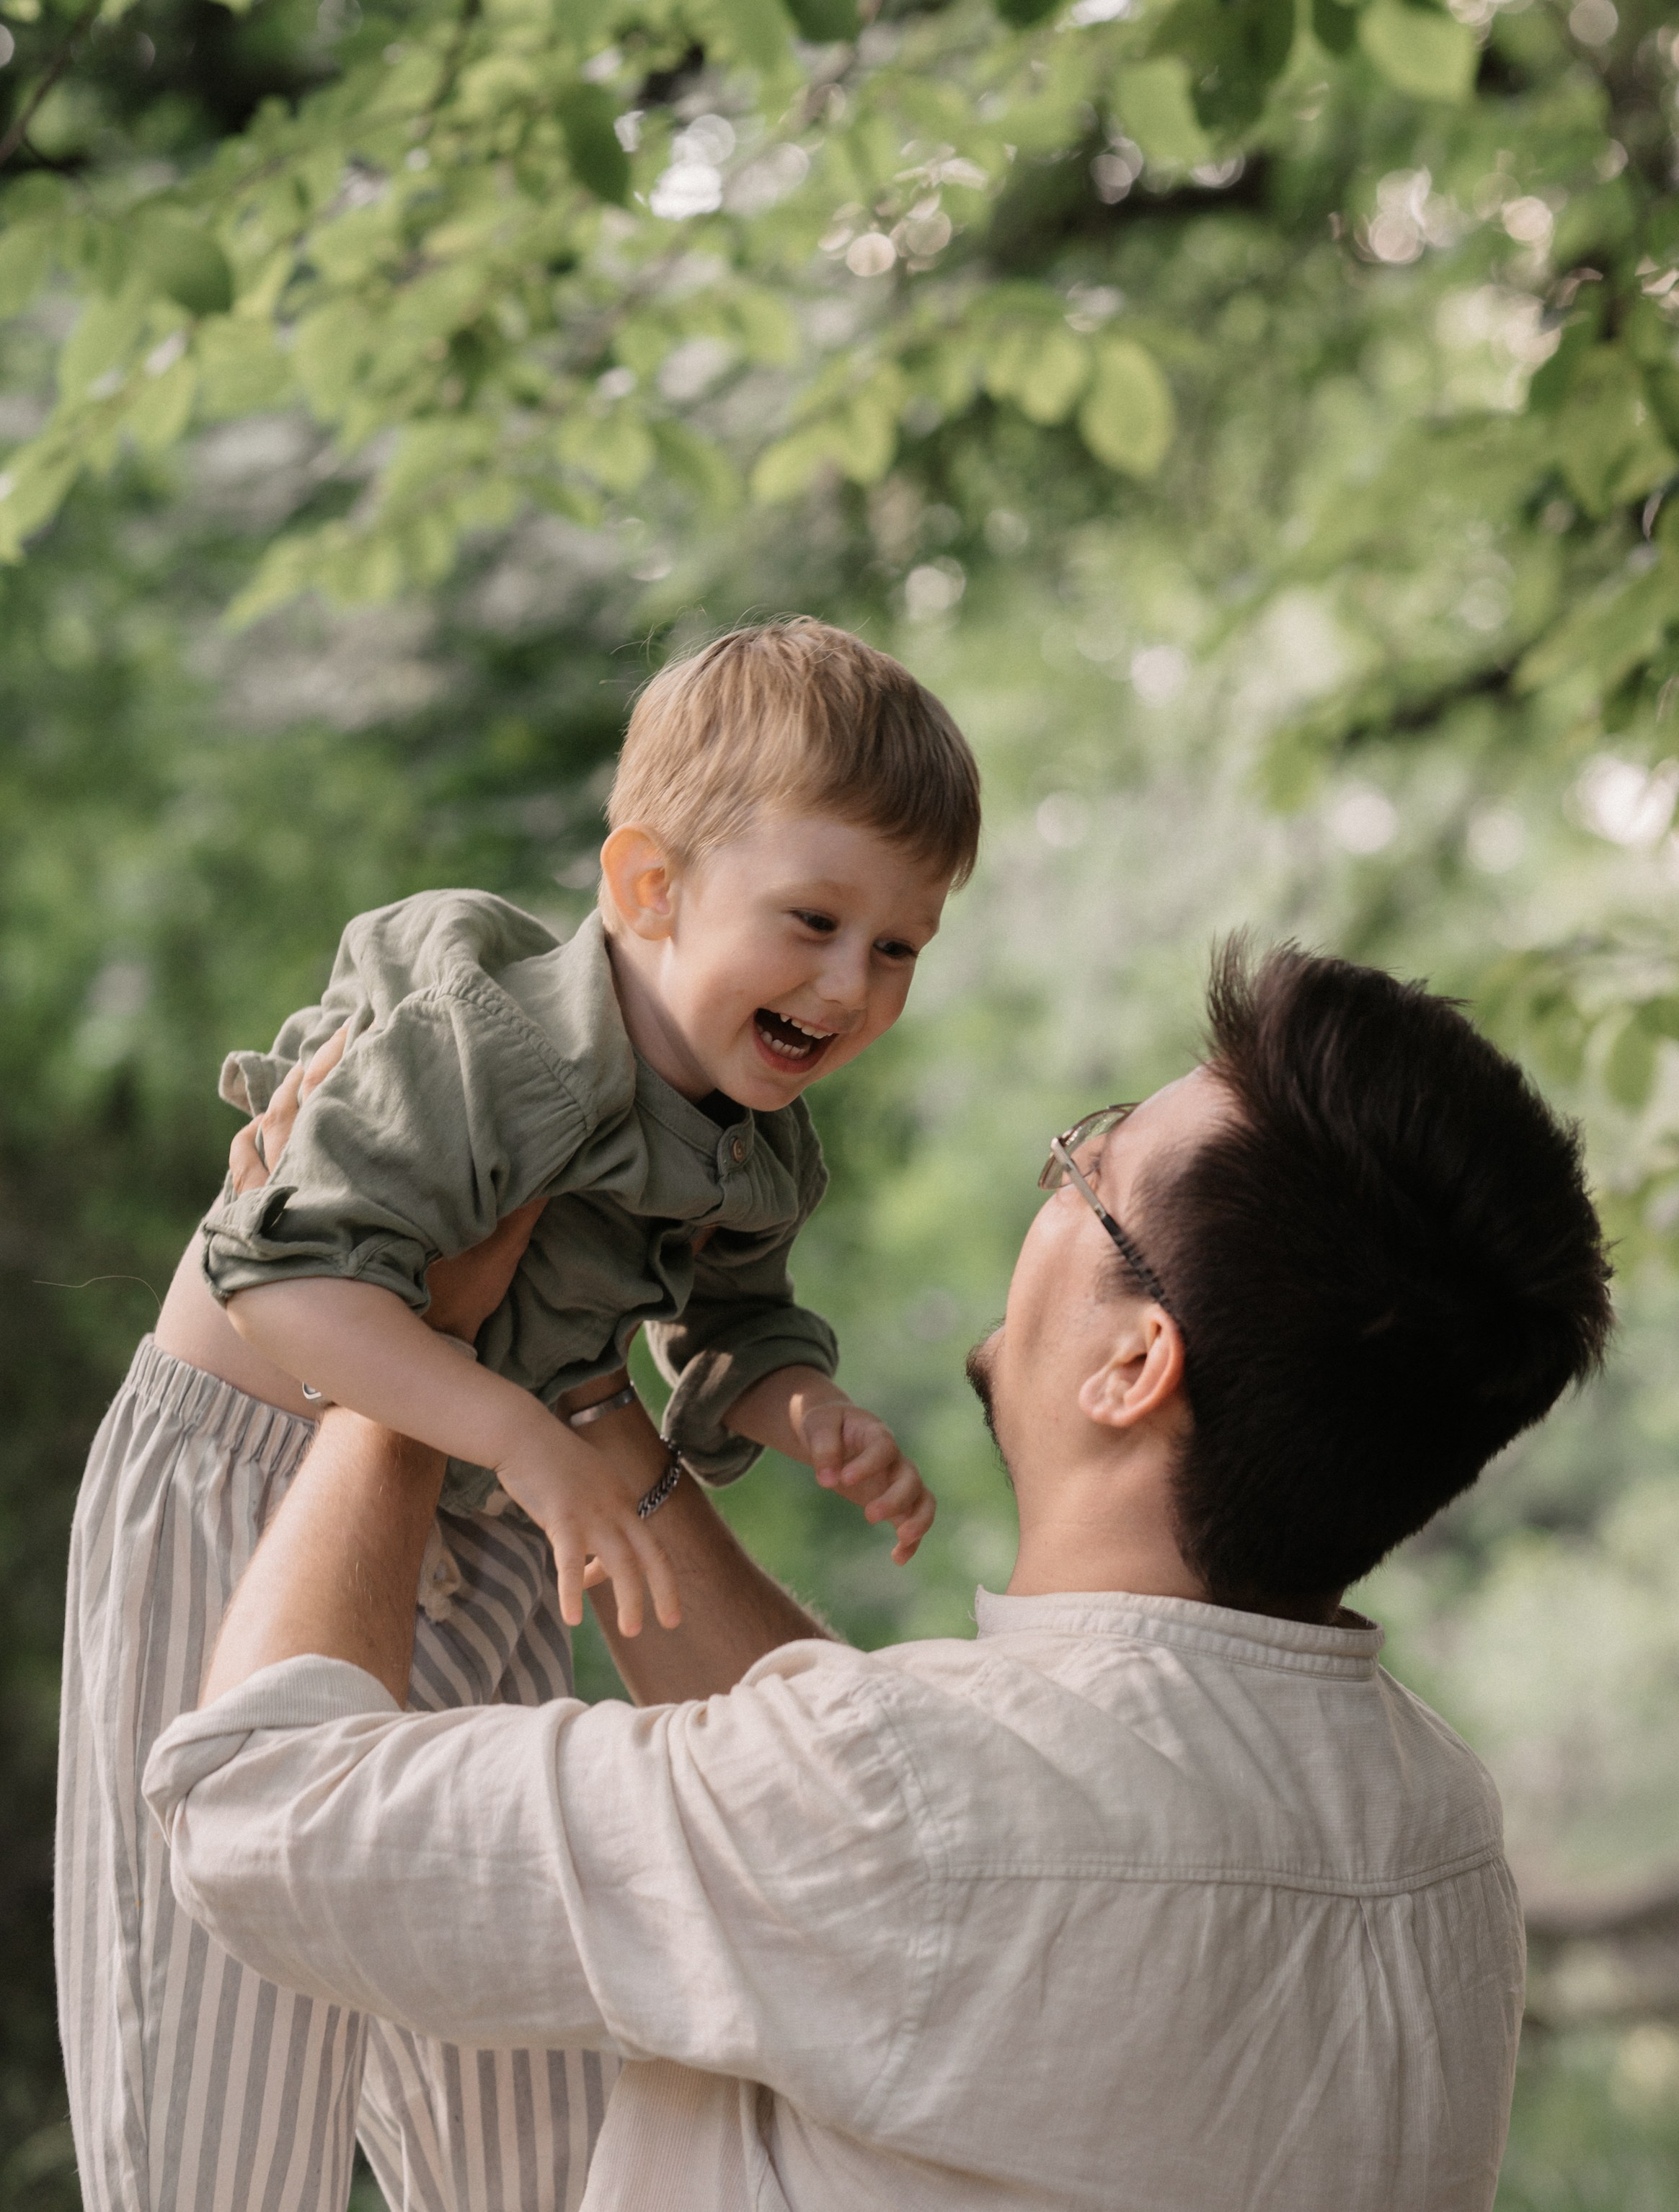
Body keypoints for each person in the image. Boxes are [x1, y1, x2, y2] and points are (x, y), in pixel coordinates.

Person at [144, 941, 1613, 2212]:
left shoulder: (901, 1800)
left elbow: (253, 1811)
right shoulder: (1438, 1843)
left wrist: (403, 1355)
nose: (1050, 1183)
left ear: (1133, 1363)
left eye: (1086, 1173)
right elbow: (916, 1869)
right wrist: (583, 1390)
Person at [56, 617, 980, 2212]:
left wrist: (800, 1400)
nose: (848, 986)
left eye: (897, 947)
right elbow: (276, 1268)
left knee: (533, 2133)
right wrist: (513, 1424)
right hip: (257, 1484)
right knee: (218, 2108)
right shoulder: (495, 1050)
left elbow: (729, 1325)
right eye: (814, 920)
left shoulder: (760, 1146)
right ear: (649, 889)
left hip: (496, 1533)